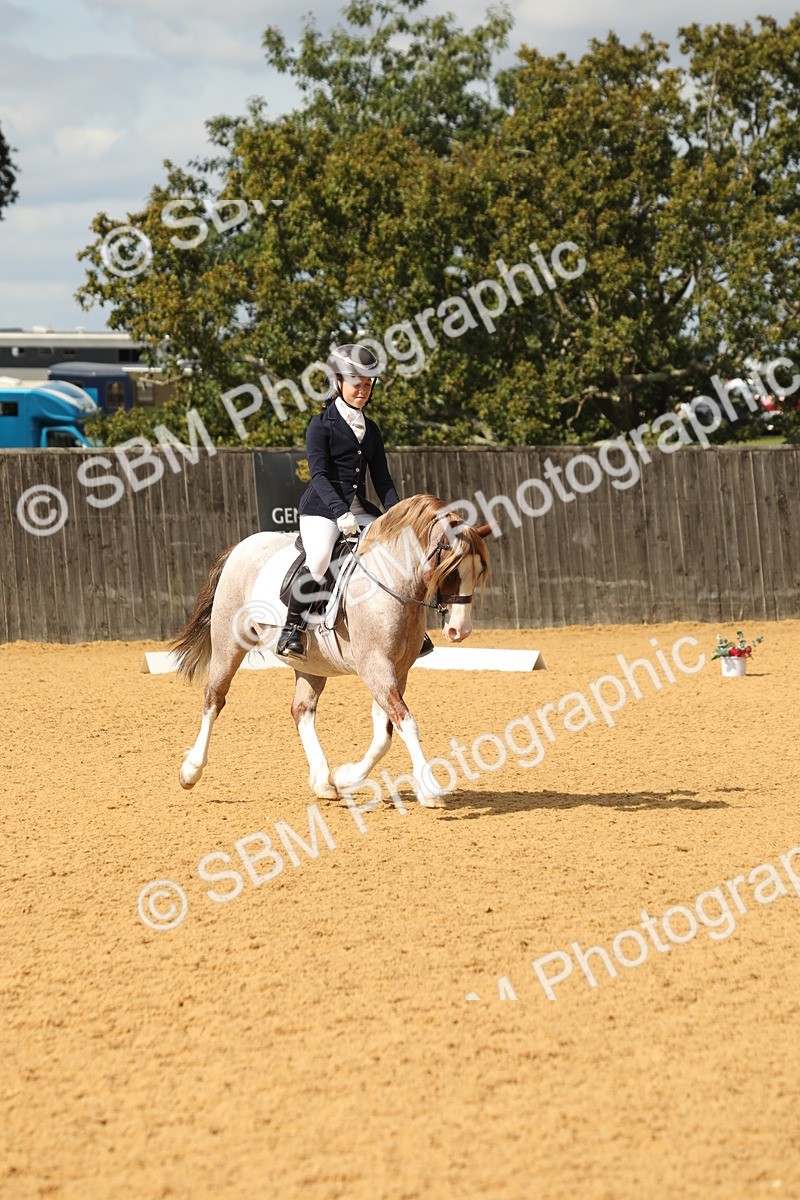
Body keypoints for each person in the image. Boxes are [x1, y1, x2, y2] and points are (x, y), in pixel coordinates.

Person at [276, 343, 433, 659]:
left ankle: (414, 629)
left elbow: (383, 479)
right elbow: (318, 476)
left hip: (360, 507)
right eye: (356, 384)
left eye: (367, 385)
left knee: (394, 552)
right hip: (322, 508)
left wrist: (400, 516)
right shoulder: (321, 425)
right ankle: (291, 629)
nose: (362, 390)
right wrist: (339, 512)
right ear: (338, 383)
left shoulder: (371, 429)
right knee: (320, 558)